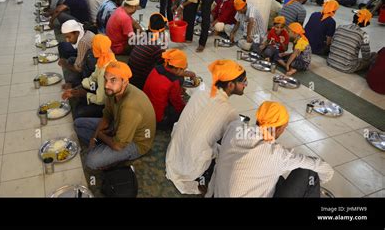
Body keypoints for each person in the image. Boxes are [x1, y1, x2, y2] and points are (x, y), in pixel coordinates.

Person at [206, 101, 334, 197]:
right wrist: (323, 178)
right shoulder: (277, 155)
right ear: (278, 129)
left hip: (218, 194)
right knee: (309, 172)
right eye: (284, 128)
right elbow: (320, 165)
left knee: (273, 175)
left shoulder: (234, 128)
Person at [165, 60, 247, 194]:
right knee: (229, 155)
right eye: (243, 82)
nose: (245, 85)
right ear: (231, 85)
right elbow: (231, 143)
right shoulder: (231, 113)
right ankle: (203, 179)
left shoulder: (202, 89)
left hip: (177, 148)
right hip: (192, 163)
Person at [74, 61, 156, 170]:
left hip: (136, 143)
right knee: (77, 124)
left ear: (125, 82)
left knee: (91, 161)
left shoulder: (130, 107)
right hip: (117, 126)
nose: (107, 85)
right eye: (105, 79)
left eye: (113, 80)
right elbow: (107, 116)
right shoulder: (112, 91)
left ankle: (108, 150)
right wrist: (94, 137)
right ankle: (106, 147)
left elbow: (118, 146)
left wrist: (99, 135)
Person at [62, 35, 116, 119]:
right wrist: (77, 88)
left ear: (98, 48)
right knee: (78, 99)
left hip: (107, 104)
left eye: (93, 45)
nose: (91, 46)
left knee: (78, 113)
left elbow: (101, 100)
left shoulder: (105, 71)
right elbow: (93, 78)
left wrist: (86, 94)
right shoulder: (103, 59)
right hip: (99, 90)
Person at [143, 49, 189, 131]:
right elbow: (177, 102)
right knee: (182, 114)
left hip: (145, 109)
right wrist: (185, 109)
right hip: (157, 119)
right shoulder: (174, 81)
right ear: (177, 69)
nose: (183, 71)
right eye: (183, 69)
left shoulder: (156, 69)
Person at [128, 13, 168, 89]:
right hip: (140, 81)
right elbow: (163, 64)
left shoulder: (143, 36)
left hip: (131, 75)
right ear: (162, 30)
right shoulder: (156, 47)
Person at [327, 9, 374, 74]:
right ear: (366, 23)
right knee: (373, 55)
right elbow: (366, 57)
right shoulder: (364, 35)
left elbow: (332, 42)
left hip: (330, 61)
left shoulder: (340, 27)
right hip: (347, 67)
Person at [59, 20, 95, 87]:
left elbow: (79, 69)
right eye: (65, 37)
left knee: (70, 65)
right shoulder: (87, 32)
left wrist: (65, 64)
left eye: (69, 37)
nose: (67, 40)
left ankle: (74, 84)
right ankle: (72, 82)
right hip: (90, 62)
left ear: (77, 33)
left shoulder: (82, 42)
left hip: (92, 71)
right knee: (71, 59)